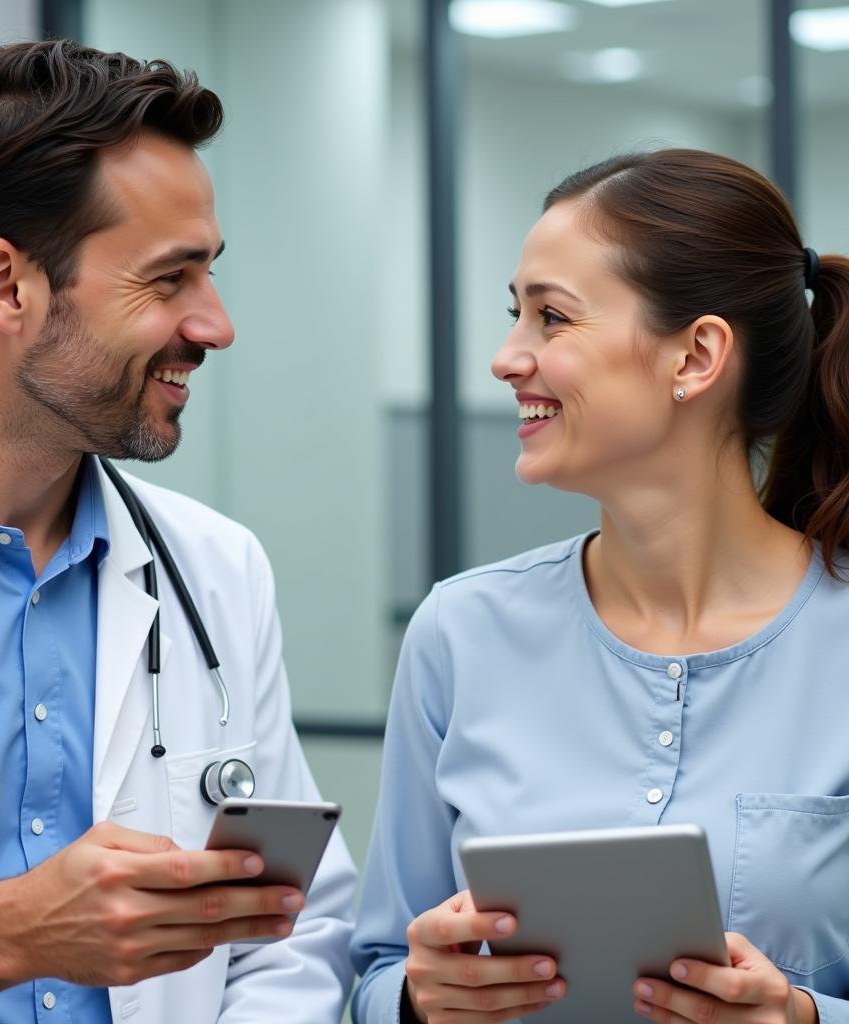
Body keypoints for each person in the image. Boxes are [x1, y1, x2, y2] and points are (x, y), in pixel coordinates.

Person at [0, 39, 356, 1024]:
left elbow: (299, 924)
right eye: (169, 280)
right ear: (6, 287)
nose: (216, 324)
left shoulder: (215, 570)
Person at [351, 148, 849, 1024]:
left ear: (695, 355)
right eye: (516, 315)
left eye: (552, 318)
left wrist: (806, 1019)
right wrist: (414, 997)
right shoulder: (460, 633)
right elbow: (374, 969)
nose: (507, 358)